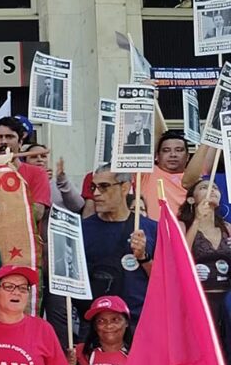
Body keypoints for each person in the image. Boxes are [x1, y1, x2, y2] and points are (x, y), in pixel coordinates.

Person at [82, 165, 156, 324]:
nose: (95, 193)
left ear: (124, 188)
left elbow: (164, 280)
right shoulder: (81, 229)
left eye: (104, 187)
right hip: (96, 323)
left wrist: (143, 258)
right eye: (93, 187)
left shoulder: (152, 228)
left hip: (139, 322)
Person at [179, 179, 231, 359]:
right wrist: (197, 221)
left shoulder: (228, 228)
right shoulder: (182, 225)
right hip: (198, 299)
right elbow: (180, 256)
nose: (212, 190)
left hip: (226, 298)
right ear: (192, 199)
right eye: (204, 188)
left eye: (215, 188)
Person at [0, 116, 51, 218]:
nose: (3, 141)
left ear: (20, 142)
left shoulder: (37, 173)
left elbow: (38, 213)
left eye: (10, 137)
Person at [23, 144, 83, 213]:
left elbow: (78, 206)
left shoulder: (60, 183)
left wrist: (63, 181)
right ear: (25, 162)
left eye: (43, 156)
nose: (40, 159)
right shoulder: (22, 184)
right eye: (34, 157)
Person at [146, 131, 190, 220]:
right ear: (157, 156)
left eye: (178, 150)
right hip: (151, 231)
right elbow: (157, 127)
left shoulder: (195, 177)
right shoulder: (147, 173)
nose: (173, 155)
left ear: (188, 156)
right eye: (166, 150)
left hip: (184, 232)